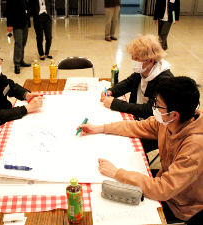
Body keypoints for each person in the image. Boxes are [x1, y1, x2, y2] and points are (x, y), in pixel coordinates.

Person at [79, 77, 203, 224]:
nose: (154, 108)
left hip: (180, 205)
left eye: (158, 105)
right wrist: (101, 128)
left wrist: (117, 173)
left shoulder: (194, 147)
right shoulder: (170, 121)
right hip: (164, 184)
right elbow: (139, 126)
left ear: (174, 115)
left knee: (113, 209)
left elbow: (163, 189)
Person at [101, 34, 173, 120]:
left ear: (150, 60)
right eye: (132, 56)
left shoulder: (164, 81)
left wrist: (115, 104)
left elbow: (150, 109)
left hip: (151, 124)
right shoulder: (143, 70)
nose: (133, 60)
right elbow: (128, 83)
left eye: (137, 58)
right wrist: (111, 91)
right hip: (137, 117)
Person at [6, 0, 31, 74]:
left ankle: (21, 60)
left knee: (23, 42)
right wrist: (9, 24)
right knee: (18, 43)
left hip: (25, 22)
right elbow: (9, 10)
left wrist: (28, 23)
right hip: (16, 23)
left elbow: (27, 9)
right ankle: (17, 64)